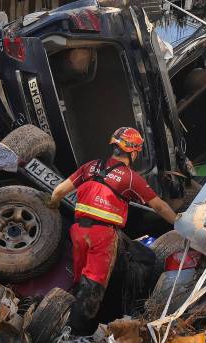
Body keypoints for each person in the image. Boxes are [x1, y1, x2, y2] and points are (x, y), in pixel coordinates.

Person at [48, 127, 178, 332]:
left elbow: (58, 192)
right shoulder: (130, 178)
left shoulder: (89, 167)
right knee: (93, 286)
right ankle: (74, 338)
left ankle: (65, 323)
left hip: (79, 232)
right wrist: (178, 222)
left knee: (80, 281)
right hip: (102, 236)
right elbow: (159, 206)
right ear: (134, 152)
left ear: (114, 146)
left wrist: (53, 206)